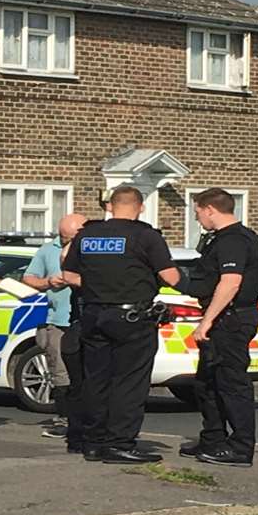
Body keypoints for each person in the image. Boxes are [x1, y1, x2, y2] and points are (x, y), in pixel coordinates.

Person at [61, 186, 179, 463]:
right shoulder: (146, 236)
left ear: (110, 206)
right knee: (130, 382)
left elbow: (68, 273)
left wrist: (99, 287)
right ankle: (120, 443)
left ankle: (93, 442)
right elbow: (170, 275)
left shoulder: (87, 235)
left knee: (96, 380)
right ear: (141, 207)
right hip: (132, 318)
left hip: (93, 315)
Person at [180, 188, 258, 467]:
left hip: (231, 319)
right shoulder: (222, 239)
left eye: (197, 213)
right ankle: (213, 439)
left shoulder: (235, 240)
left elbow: (230, 283)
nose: (197, 219)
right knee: (206, 383)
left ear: (210, 209)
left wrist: (206, 322)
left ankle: (241, 448)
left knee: (232, 383)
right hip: (224, 318)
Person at [22, 213, 86, 445]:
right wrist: (49, 282)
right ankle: (64, 419)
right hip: (59, 321)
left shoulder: (90, 248)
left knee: (87, 374)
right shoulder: (48, 250)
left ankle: (86, 420)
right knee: (60, 374)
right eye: (63, 237)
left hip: (87, 320)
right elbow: (28, 278)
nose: (66, 242)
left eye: (70, 239)